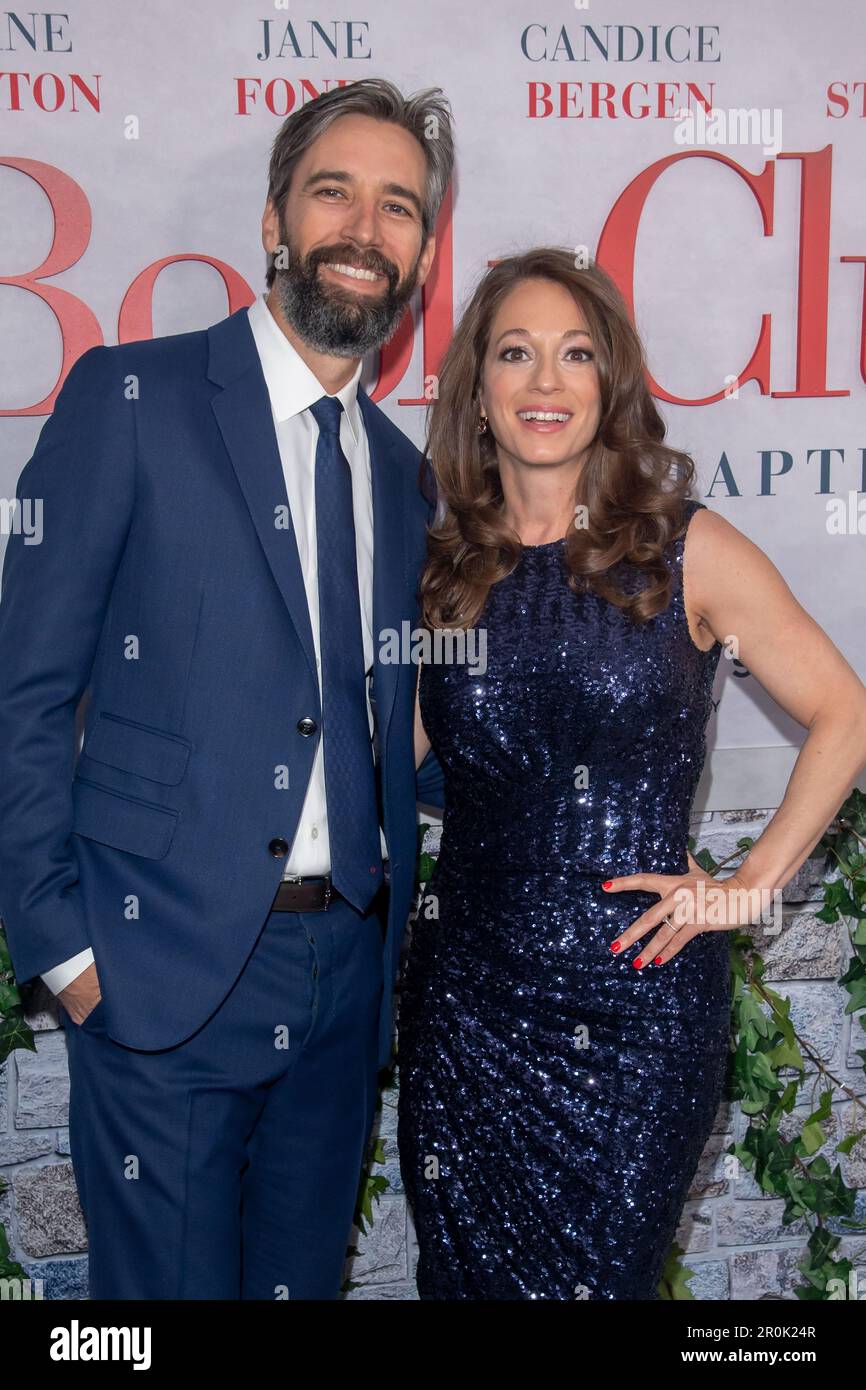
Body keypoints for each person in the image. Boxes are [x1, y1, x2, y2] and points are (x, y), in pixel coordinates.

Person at [0, 77, 450, 1300]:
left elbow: (388, 724)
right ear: (271, 221)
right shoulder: (130, 399)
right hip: (159, 970)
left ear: (419, 251)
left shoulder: (406, 479)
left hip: (343, 979)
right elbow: (22, 687)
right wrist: (62, 944)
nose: (365, 228)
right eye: (334, 192)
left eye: (399, 207)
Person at [397, 247, 866, 1300]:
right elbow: (389, 754)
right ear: (477, 387)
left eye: (574, 354)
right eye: (514, 353)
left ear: (609, 383)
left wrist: (745, 888)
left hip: (636, 1007)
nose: (544, 381)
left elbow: (845, 712)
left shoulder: (683, 548)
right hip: (467, 1009)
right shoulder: (440, 571)